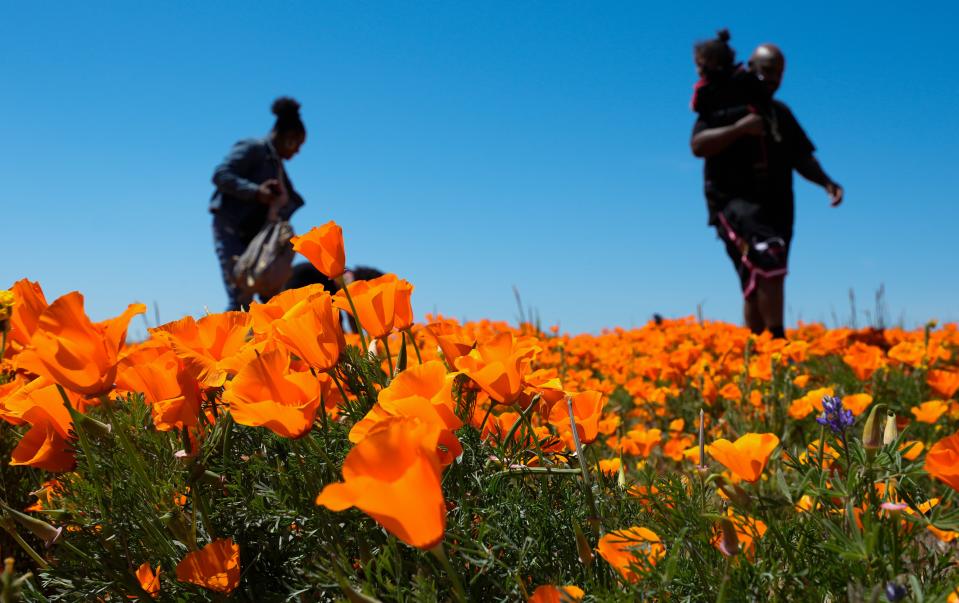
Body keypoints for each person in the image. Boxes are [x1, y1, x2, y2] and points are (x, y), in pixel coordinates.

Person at [690, 41, 843, 339]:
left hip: (777, 204)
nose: (773, 79)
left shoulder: (779, 113)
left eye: (779, 74)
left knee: (758, 277)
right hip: (732, 201)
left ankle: (759, 353)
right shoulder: (725, 102)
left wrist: (827, 182)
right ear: (751, 68)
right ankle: (777, 342)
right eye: (767, 71)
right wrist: (740, 128)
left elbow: (802, 156)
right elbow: (698, 144)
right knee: (768, 255)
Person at [210, 97, 306, 311]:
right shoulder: (254, 148)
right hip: (231, 229)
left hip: (257, 237)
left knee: (271, 299)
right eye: (297, 144)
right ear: (289, 137)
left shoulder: (276, 165)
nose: (297, 151)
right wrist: (256, 192)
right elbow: (220, 175)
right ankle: (233, 343)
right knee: (240, 296)